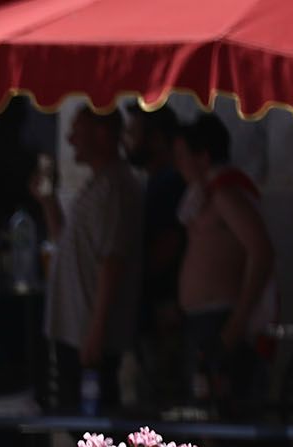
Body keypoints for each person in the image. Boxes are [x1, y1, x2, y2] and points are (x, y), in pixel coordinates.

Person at [36, 108, 142, 415]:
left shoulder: (114, 188)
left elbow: (112, 261)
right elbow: (68, 244)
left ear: (102, 134)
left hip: (87, 331)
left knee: (90, 420)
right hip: (74, 327)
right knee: (73, 413)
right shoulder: (98, 185)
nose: (70, 140)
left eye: (77, 131)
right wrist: (47, 202)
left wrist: (96, 330)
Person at [173, 114, 274, 421]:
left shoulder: (226, 196)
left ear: (203, 156)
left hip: (221, 322)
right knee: (202, 415)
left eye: (182, 156)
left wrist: (236, 324)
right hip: (202, 322)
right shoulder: (204, 196)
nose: (178, 165)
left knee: (222, 418)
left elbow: (261, 252)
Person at [122, 106, 187, 411]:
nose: (126, 141)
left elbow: (167, 245)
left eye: (133, 133)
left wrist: (132, 278)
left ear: (157, 139)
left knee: (161, 403)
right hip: (154, 314)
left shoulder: (168, 183)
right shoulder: (155, 182)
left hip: (164, 313)